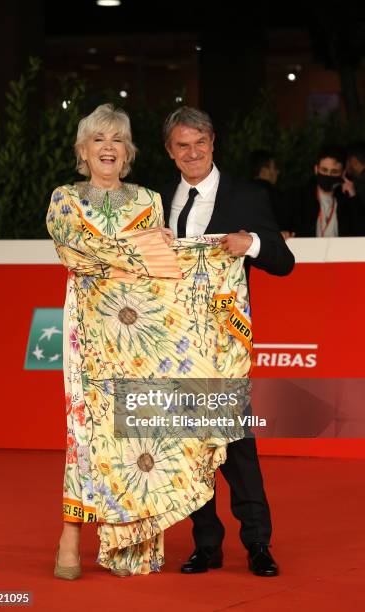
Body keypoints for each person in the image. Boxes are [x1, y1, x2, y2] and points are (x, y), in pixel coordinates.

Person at [46, 103, 255, 579]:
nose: (108, 149)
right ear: (83, 150)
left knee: (141, 433)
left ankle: (131, 540)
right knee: (85, 432)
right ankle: (72, 533)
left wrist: (184, 248)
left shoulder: (148, 201)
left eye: (117, 140)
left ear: (129, 152)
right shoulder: (65, 198)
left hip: (147, 337)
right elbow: (78, 251)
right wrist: (144, 250)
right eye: (98, 140)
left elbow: (164, 268)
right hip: (91, 330)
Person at [161, 106, 295, 577]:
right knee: (189, 446)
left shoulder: (247, 195)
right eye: (182, 145)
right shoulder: (157, 202)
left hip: (224, 344)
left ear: (213, 142)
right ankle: (206, 544)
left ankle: (258, 543)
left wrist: (253, 243)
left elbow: (284, 260)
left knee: (237, 444)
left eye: (200, 142)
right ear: (170, 152)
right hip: (172, 344)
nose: (192, 152)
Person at [293, 145, 362, 237]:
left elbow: (360, 231)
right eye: (324, 170)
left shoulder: (346, 201)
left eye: (334, 172)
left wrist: (353, 198)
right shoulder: (299, 197)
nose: (328, 175)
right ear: (316, 169)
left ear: (343, 173)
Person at [249, 149, 295, 240]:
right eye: (274, 168)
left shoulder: (239, 193)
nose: (277, 172)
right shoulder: (276, 195)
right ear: (264, 171)